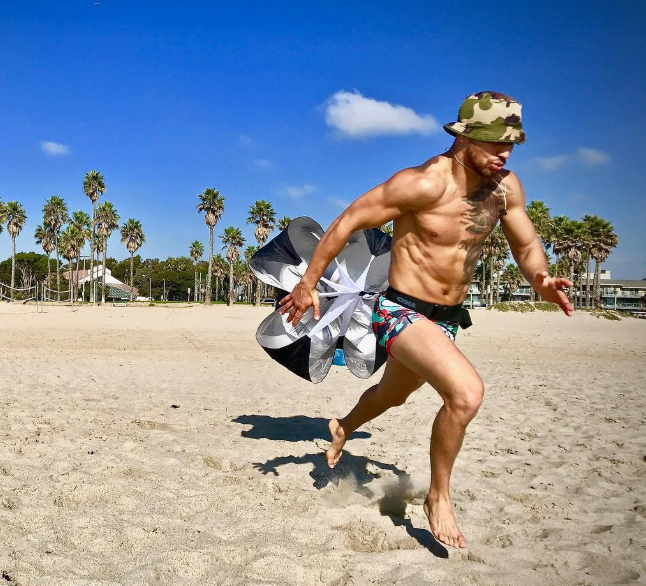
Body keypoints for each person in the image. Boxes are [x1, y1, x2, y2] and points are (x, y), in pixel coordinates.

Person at [279, 91, 574, 549]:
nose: (505, 153)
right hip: (400, 310)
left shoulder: (504, 188)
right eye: (496, 142)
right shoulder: (420, 184)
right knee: (466, 394)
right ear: (466, 136)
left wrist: (542, 280)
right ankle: (439, 497)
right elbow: (348, 221)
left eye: (512, 144)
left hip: (447, 319)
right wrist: (308, 283)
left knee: (392, 396)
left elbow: (526, 244)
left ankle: (343, 426)